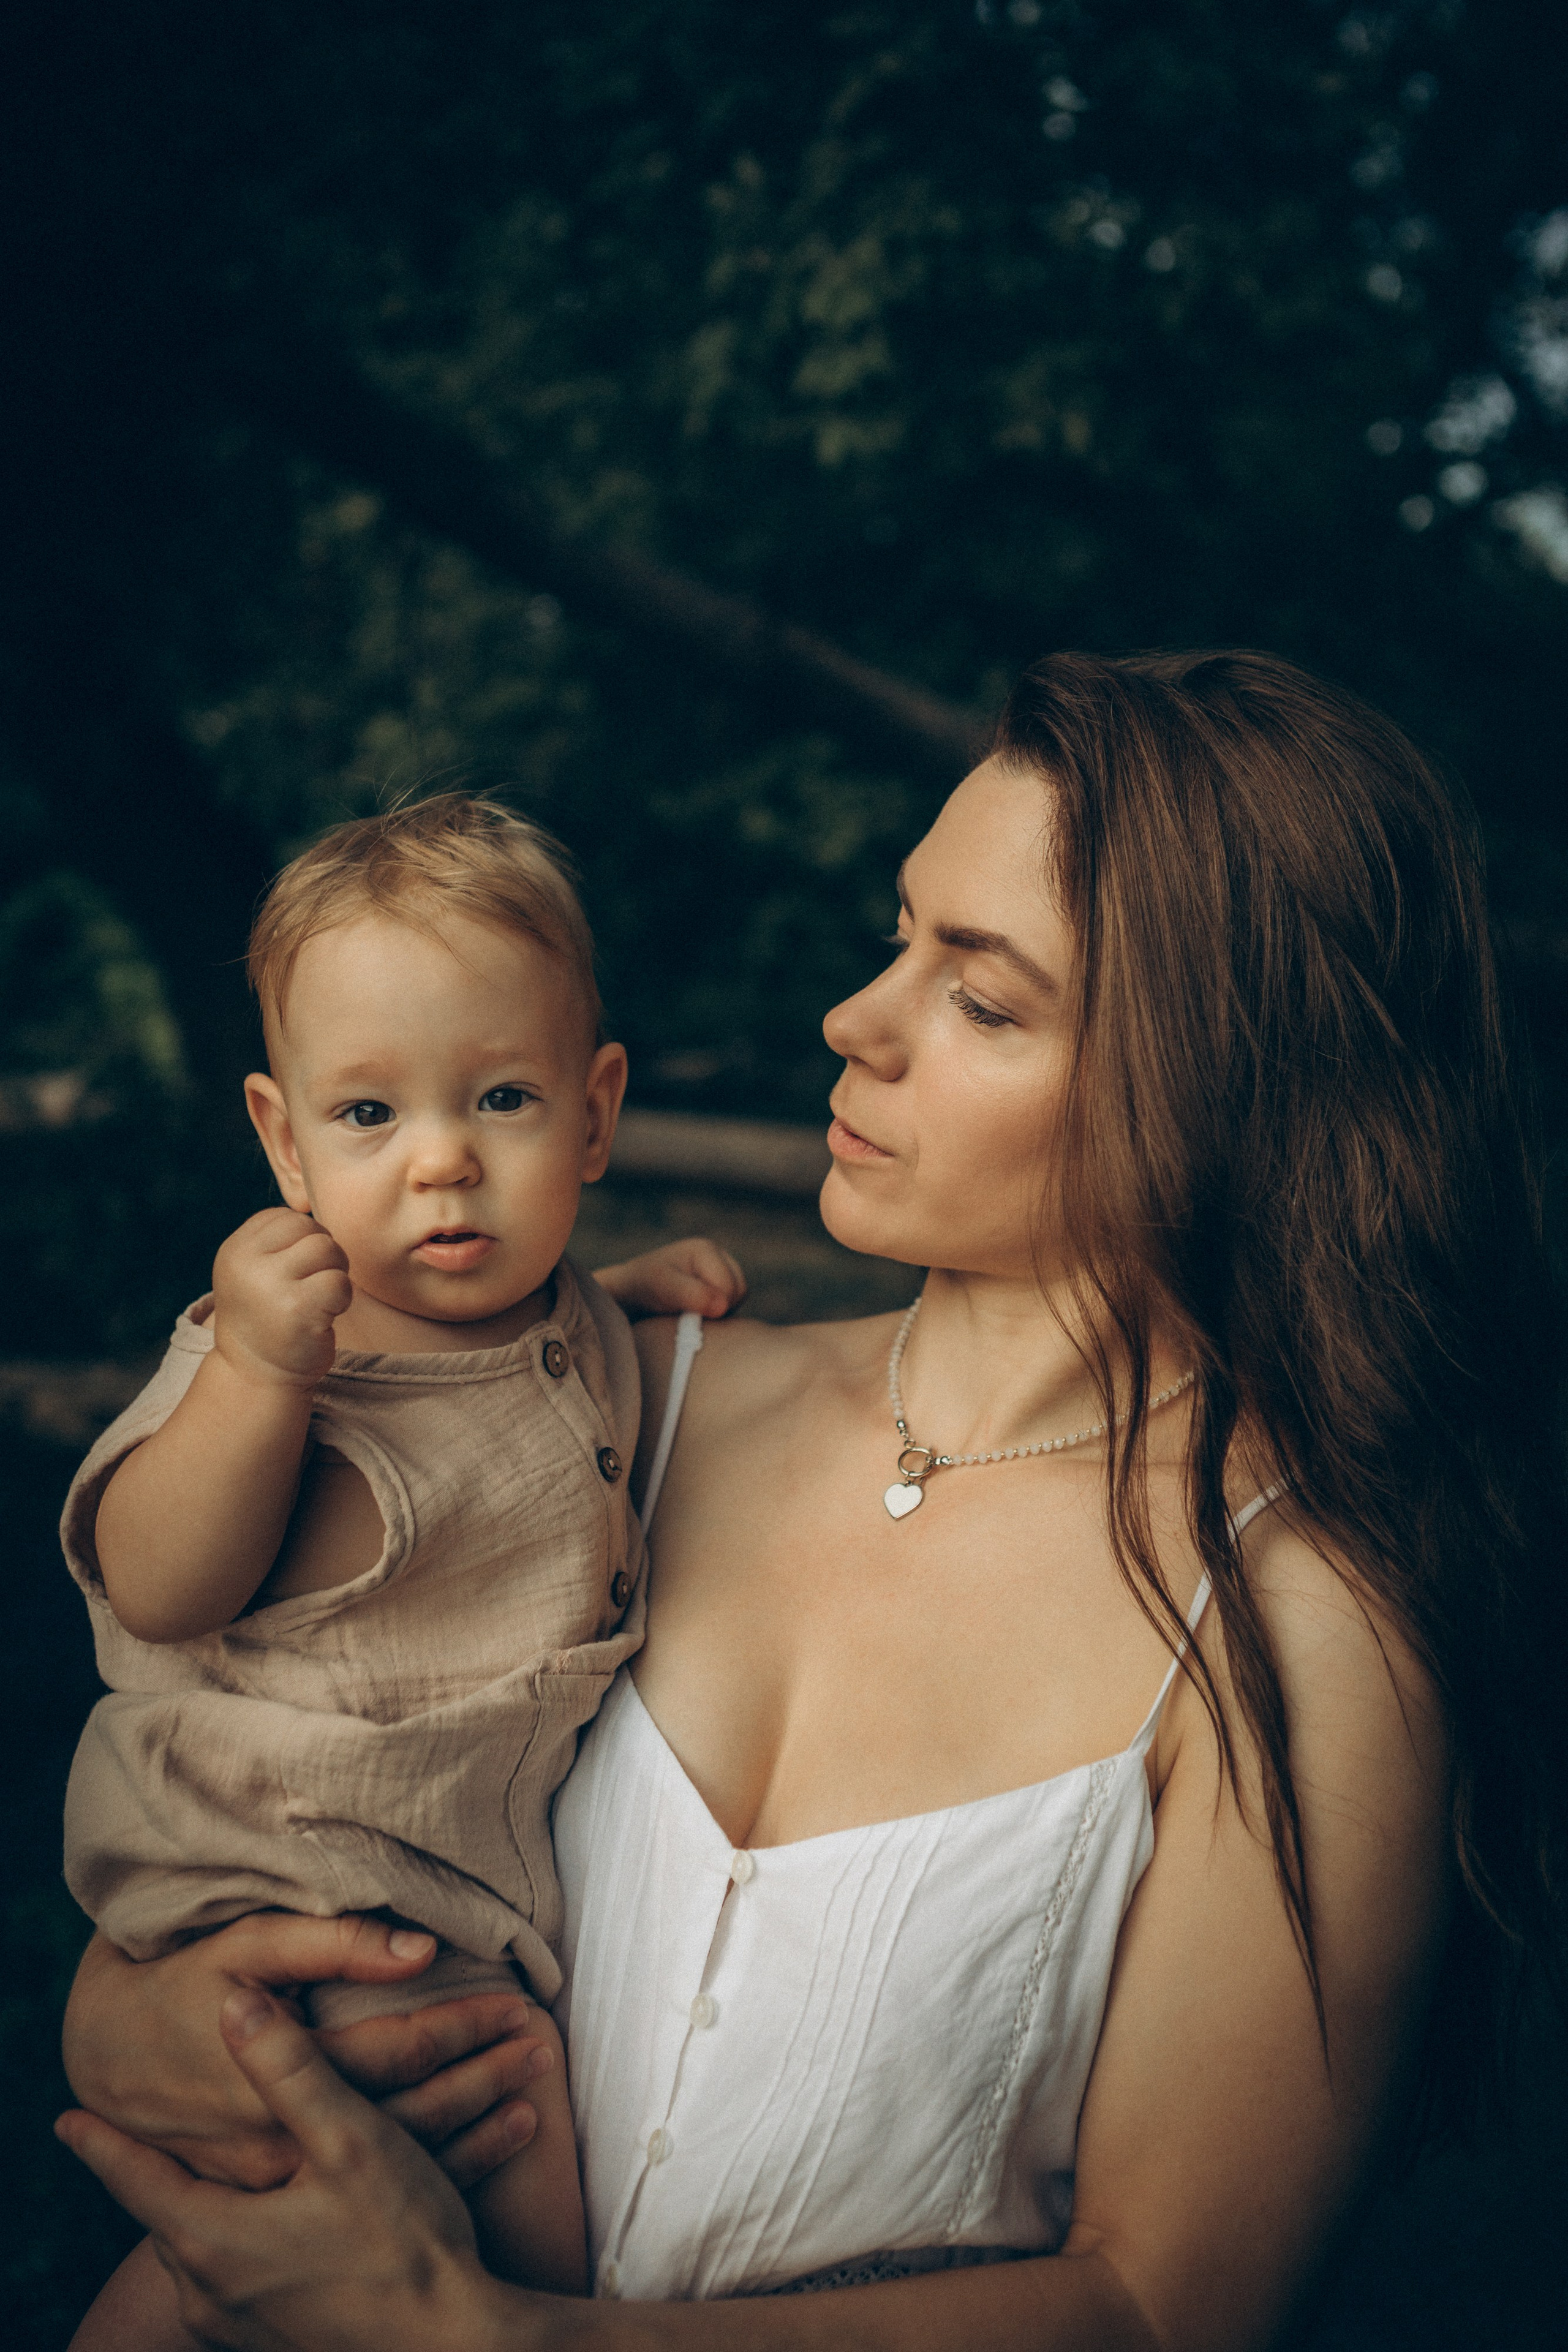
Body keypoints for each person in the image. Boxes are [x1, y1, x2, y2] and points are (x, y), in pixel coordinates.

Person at [59, 650, 1568, 2350]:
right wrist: (137, 2010)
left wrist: (493, 2339)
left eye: (980, 998)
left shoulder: (1300, 1626)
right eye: (898, 935)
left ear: (1225, 1092)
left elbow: (1164, 2306)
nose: (858, 1019)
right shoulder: (644, 1394)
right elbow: (284, 1728)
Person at [55, 791, 744, 2293]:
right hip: (294, 1889)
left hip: (430, 1891)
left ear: (595, 1111)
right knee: (506, 2202)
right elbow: (163, 1584)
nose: (440, 1161)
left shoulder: (547, 1314)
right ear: (282, 1140)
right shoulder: (288, 1362)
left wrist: (623, 1294)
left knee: (251, 2266)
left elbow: (513, 1383)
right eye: (370, 1114)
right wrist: (250, 1378)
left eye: (499, 1100)